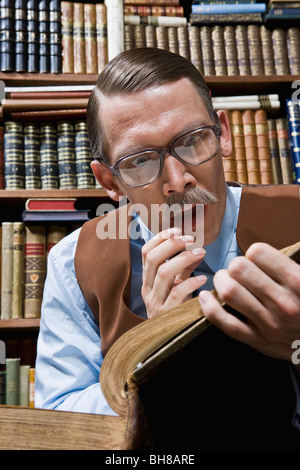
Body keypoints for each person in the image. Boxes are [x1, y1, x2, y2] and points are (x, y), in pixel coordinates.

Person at [35, 48, 300, 446]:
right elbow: (61, 423)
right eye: (140, 161)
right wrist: (149, 354)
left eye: (192, 140)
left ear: (223, 134)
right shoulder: (71, 263)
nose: (178, 181)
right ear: (109, 181)